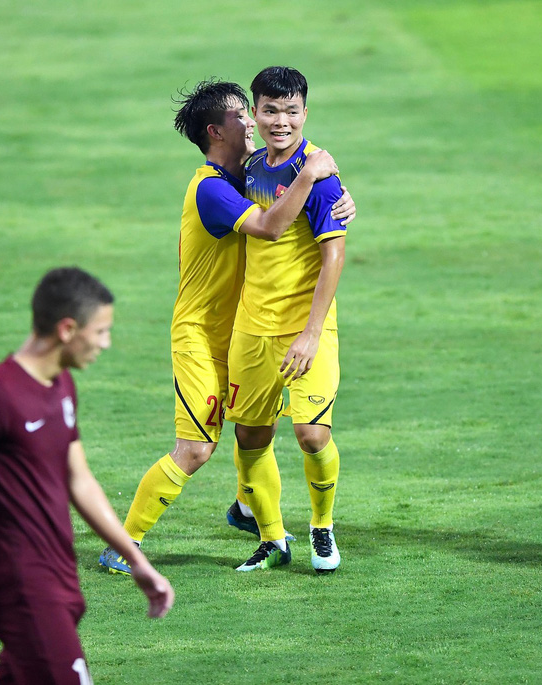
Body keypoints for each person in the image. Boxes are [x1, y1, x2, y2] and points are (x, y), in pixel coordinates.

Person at [98, 80, 352, 574]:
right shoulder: (212, 189)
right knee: (195, 448)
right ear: (217, 131)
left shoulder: (250, 174)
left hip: (241, 331)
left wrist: (337, 193)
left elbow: (297, 201)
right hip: (200, 337)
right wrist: (312, 175)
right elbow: (271, 225)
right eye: (243, 116)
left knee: (254, 430)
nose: (257, 122)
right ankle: (122, 545)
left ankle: (249, 512)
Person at [0, 267, 174, 683]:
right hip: (24, 587)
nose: (107, 343)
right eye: (101, 331)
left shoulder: (62, 385)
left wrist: (135, 559)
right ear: (68, 329)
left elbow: (79, 481)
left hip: (60, 576)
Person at [228, 66, 347, 574]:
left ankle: (323, 525)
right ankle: (273, 538)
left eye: (291, 110)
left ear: (305, 112)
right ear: (256, 113)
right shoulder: (252, 167)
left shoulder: (322, 176)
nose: (282, 120)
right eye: (271, 110)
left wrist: (312, 332)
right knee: (250, 436)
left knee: (310, 435)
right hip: (252, 327)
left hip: (304, 330)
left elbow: (334, 255)